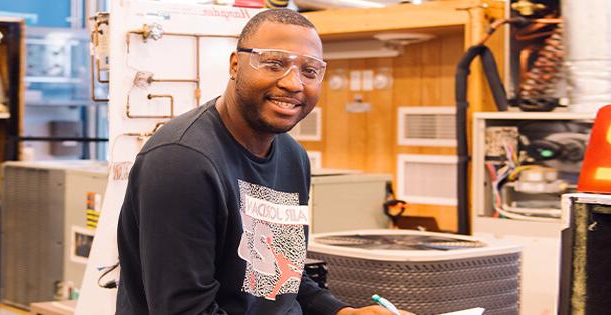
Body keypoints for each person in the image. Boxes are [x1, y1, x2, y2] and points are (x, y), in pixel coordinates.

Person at [115, 8, 414, 315]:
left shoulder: (292, 156)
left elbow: (280, 275)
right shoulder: (182, 161)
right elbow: (185, 309)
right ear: (235, 65)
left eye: (310, 71)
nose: (293, 83)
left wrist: (341, 312)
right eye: (274, 63)